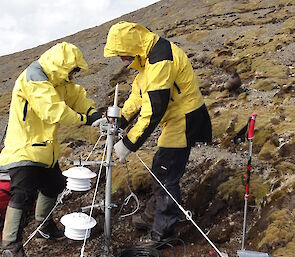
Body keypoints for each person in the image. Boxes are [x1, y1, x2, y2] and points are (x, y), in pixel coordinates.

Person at [104, 22, 212, 242]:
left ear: (131, 45)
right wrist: (119, 121)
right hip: (175, 119)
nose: (122, 60)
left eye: (122, 54)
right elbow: (138, 97)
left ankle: (163, 232)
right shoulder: (146, 60)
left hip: (185, 118)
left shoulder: (160, 59)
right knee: (160, 169)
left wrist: (129, 142)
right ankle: (153, 215)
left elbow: (154, 109)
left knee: (165, 173)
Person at [0, 42, 102, 257]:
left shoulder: (61, 82)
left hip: (45, 150)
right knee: (23, 194)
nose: (74, 75)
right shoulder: (34, 77)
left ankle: (43, 226)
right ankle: (10, 246)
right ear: (62, 66)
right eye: (73, 70)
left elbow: (77, 97)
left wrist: (93, 112)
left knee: (54, 184)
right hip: (24, 148)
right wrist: (86, 120)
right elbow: (53, 111)